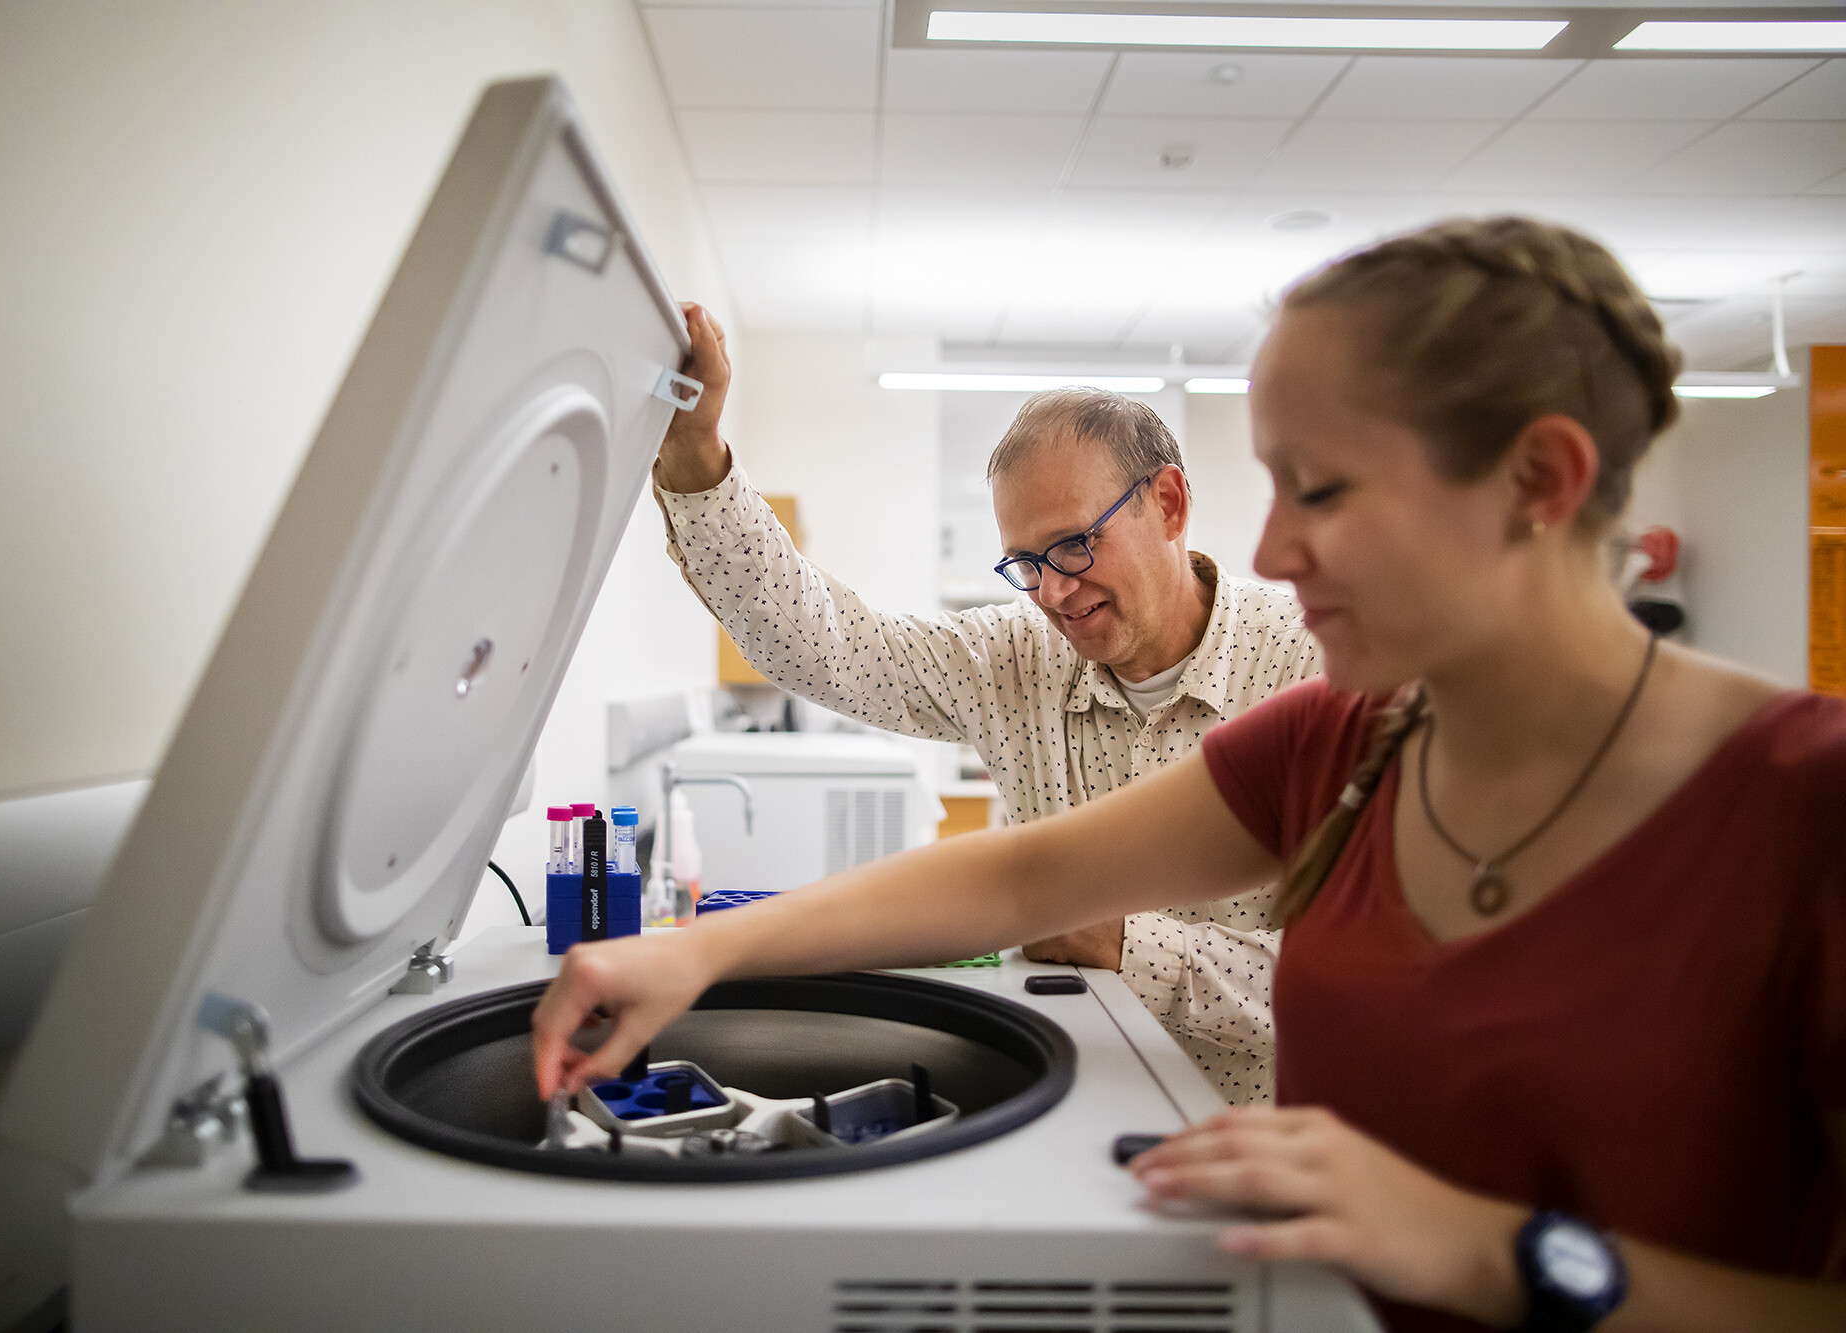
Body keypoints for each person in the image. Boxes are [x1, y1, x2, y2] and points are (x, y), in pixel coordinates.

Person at [535, 216, 1846, 1330]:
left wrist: (1491, 1249)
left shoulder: (1805, 816)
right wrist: (697, 955)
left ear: (1539, 480)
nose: (1270, 551)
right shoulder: (1350, 743)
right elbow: (1020, 872)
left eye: (1319, 490)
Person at [652, 306, 1320, 1104]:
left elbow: (1360, 979)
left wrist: (1128, 944)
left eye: (1075, 544)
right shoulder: (1013, 656)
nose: (1056, 592)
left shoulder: (1311, 669)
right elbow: (823, 642)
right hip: (1074, 1104)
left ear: (1169, 505)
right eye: (1027, 564)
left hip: (1263, 1136)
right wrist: (698, 457)